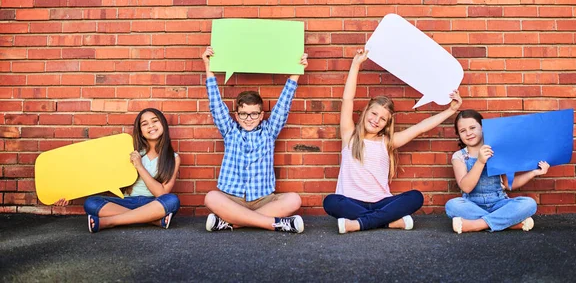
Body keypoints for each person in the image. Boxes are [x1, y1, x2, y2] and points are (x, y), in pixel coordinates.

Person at [323, 49, 462, 234]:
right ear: (366, 112)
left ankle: (358, 223)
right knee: (331, 201)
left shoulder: (387, 142)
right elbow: (347, 99)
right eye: (374, 114)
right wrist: (356, 64)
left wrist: (451, 111)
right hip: (350, 201)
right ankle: (387, 221)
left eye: (382, 119)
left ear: (387, 124)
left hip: (382, 201)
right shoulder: (349, 136)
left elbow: (420, 127)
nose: (376, 120)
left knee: (415, 197)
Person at [202, 46, 308, 233]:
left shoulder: (269, 130)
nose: (248, 119)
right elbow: (216, 104)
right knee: (211, 197)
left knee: (294, 199)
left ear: (261, 115)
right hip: (232, 199)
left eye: (253, 114)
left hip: (263, 200)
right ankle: (274, 224)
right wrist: (208, 67)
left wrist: (296, 73)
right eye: (243, 114)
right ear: (236, 114)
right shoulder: (229, 130)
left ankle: (232, 223)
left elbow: (284, 104)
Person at [445, 109, 550, 234]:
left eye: (472, 128)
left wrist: (534, 172)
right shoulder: (459, 157)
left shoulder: (497, 151)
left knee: (529, 204)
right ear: (459, 134)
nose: (468, 133)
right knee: (452, 205)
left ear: (483, 127)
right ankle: (509, 222)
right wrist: (480, 161)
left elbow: (508, 185)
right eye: (463, 131)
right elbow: (466, 187)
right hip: (472, 204)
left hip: (499, 202)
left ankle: (477, 224)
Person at [82, 108, 181, 233]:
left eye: (155, 121)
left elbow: (162, 194)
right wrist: (67, 193)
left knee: (172, 200)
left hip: (152, 204)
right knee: (91, 202)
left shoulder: (173, 158)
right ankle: (152, 220)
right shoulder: (131, 152)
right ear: (140, 131)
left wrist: (139, 166)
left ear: (163, 124)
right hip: (126, 202)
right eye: (144, 124)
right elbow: (101, 176)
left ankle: (108, 222)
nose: (151, 126)